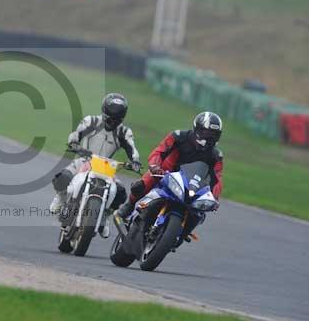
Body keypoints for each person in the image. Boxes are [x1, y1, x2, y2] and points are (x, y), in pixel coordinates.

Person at [115, 111, 224, 236]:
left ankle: (182, 233)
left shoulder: (216, 155)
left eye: (214, 135)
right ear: (197, 129)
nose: (210, 138)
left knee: (200, 211)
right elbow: (159, 151)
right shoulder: (179, 136)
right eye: (207, 133)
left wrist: (215, 198)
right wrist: (155, 166)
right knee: (141, 185)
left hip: (192, 185)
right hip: (166, 173)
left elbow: (217, 178)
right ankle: (129, 205)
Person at [49, 93, 142, 235]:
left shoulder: (124, 131)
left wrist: (135, 161)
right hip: (84, 160)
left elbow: (132, 148)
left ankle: (105, 215)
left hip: (107, 167)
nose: (112, 122)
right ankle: (61, 198)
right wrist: (73, 143)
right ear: (104, 112)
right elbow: (76, 134)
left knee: (121, 192)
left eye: (116, 119)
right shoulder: (90, 121)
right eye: (109, 118)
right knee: (62, 177)